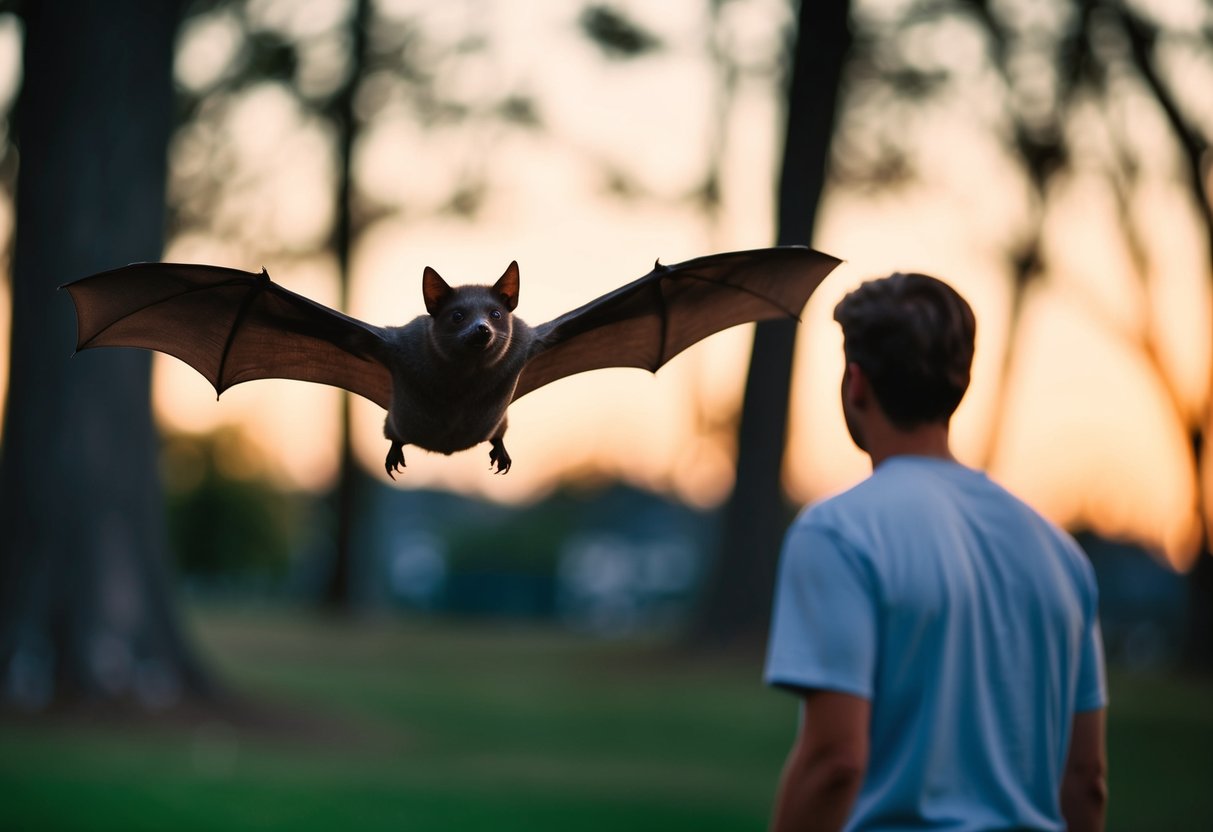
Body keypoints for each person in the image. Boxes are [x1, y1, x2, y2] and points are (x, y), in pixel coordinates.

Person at [764, 272, 1108, 832]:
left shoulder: (838, 533)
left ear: (856, 384)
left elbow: (835, 762)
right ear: (960, 383)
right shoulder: (1060, 554)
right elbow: (1087, 779)